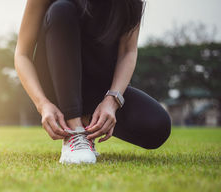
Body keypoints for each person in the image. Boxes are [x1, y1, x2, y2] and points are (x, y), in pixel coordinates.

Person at [14, 0, 171, 164]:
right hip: (55, 82)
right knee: (62, 9)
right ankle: (75, 132)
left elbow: (127, 52)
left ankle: (87, 122)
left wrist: (112, 100)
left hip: (100, 87)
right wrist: (42, 103)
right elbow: (22, 54)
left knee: (157, 126)